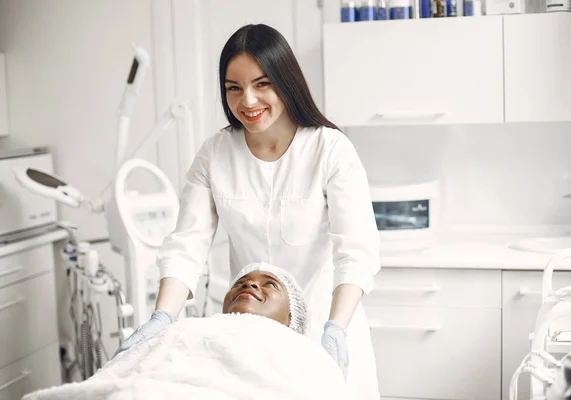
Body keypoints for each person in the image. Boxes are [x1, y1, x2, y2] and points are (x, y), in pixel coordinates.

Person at [115, 23, 381, 398]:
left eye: (262, 84)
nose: (248, 101)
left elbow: (356, 252)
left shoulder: (329, 150)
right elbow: (186, 246)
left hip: (326, 323)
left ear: (286, 81)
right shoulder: (215, 154)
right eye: (234, 88)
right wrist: (163, 317)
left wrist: (335, 329)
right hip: (247, 333)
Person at [25, 263, 350, 400]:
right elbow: (122, 380)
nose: (250, 283)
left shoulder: (304, 353)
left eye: (270, 284)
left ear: (292, 317)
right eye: (242, 281)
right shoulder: (185, 330)